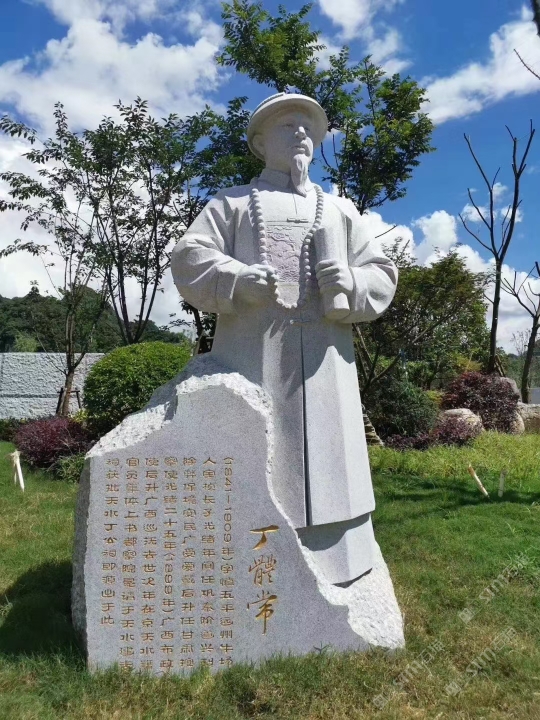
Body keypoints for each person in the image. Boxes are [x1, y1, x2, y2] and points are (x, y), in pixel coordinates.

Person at [172, 92, 398, 585]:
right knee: (255, 456)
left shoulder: (339, 209)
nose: (300, 133)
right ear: (259, 142)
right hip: (253, 354)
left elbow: (381, 271)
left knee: (333, 459)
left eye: (307, 128)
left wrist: (351, 281)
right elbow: (190, 256)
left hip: (325, 360)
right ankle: (246, 550)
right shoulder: (232, 203)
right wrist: (236, 279)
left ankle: (341, 550)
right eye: (286, 125)